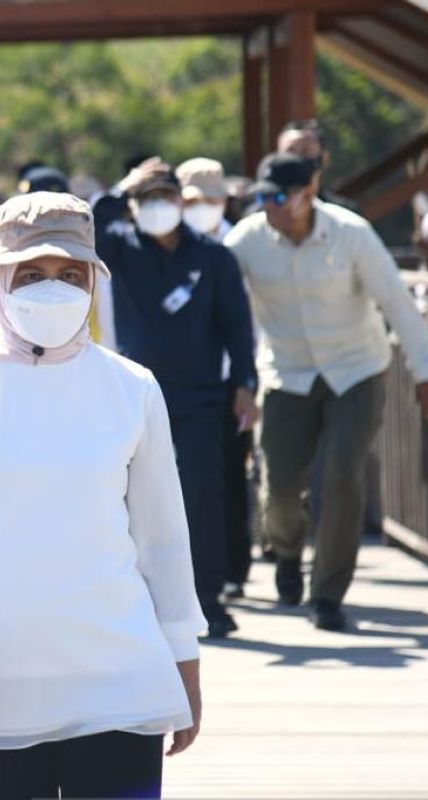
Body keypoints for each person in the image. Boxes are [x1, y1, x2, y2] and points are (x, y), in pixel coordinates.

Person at [0, 192, 205, 800]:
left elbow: (163, 537)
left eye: (69, 274)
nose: (51, 289)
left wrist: (184, 658)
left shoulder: (132, 387)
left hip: (121, 684)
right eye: (31, 275)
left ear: (93, 281)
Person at [225, 152, 428, 631]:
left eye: (281, 197)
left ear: (311, 191)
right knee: (280, 484)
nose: (272, 208)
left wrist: (426, 373)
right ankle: (286, 552)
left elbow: (396, 301)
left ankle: (327, 594)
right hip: (287, 373)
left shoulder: (351, 234)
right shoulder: (245, 242)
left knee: (344, 476)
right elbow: (223, 307)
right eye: (264, 198)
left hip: (356, 370)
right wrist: (236, 379)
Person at [94, 158, 258, 639]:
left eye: (166, 198)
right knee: (127, 500)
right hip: (134, 396)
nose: (157, 208)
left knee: (203, 498)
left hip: (202, 398)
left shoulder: (213, 257)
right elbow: (92, 229)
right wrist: (124, 187)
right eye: (147, 200)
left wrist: (245, 384)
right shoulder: (120, 250)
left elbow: (237, 326)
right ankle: (138, 599)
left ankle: (208, 599)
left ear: (182, 203)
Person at [176, 157, 254, 596]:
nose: (202, 207)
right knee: (194, 482)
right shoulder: (168, 245)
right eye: (192, 199)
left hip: (231, 379)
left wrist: (248, 379)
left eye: (210, 199)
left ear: (224, 200)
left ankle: (232, 571)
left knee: (230, 475)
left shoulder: (236, 245)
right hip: (188, 380)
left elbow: (247, 321)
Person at [277, 119, 360, 213]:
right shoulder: (263, 209)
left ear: (324, 158)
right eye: (290, 152)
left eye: (306, 151)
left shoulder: (346, 216)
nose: (296, 159)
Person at [177, 158, 231, 241]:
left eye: (209, 200)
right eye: (191, 201)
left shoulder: (240, 240)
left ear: (224, 200)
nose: (200, 208)